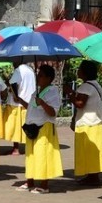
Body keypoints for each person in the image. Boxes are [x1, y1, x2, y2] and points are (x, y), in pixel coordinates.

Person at [17, 65, 62, 194]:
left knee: (43, 155)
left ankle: (44, 184)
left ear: (49, 78)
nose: (38, 77)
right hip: (32, 126)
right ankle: (30, 181)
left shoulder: (52, 91)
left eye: (41, 75)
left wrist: (42, 103)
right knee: (30, 155)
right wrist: (20, 100)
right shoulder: (36, 91)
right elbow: (31, 107)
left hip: (44, 127)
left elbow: (53, 112)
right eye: (38, 74)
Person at [71, 60, 102, 186]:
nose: (78, 71)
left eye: (80, 69)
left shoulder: (86, 86)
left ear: (85, 72)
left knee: (88, 150)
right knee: (92, 151)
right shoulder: (96, 85)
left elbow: (80, 104)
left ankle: (92, 177)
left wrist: (69, 93)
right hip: (95, 121)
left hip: (88, 122)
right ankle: (92, 175)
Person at [5, 63, 35, 155]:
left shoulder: (18, 70)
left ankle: (16, 148)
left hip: (17, 103)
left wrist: (15, 95)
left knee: (15, 127)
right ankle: (29, 146)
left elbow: (13, 83)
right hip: (28, 102)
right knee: (27, 125)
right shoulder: (31, 70)